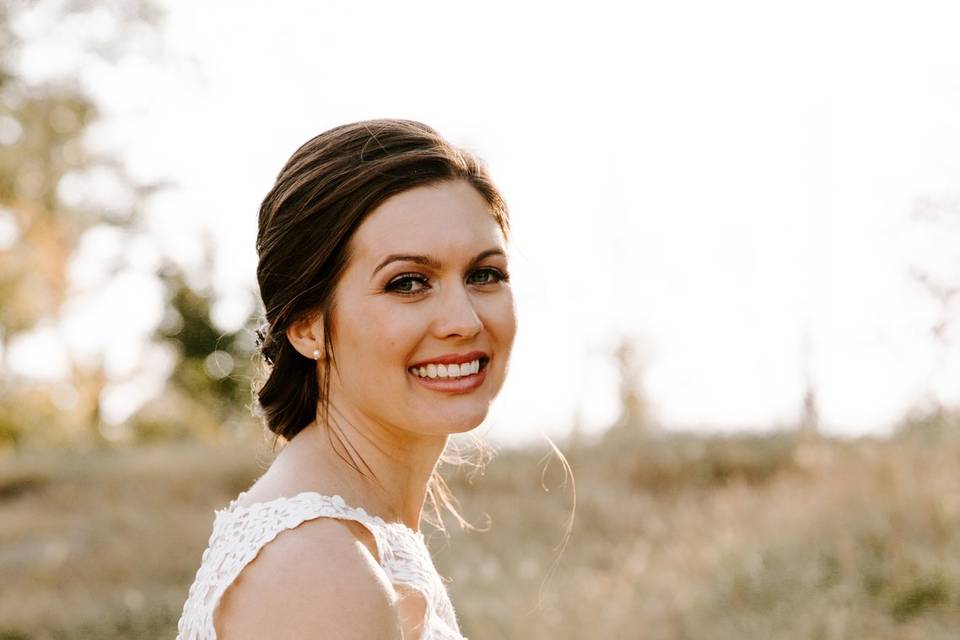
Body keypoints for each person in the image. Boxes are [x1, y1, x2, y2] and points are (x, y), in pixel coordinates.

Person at [175, 119, 517, 640]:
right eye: (408, 283)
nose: (465, 321)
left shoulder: (357, 542)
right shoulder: (315, 568)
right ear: (307, 325)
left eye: (484, 274)